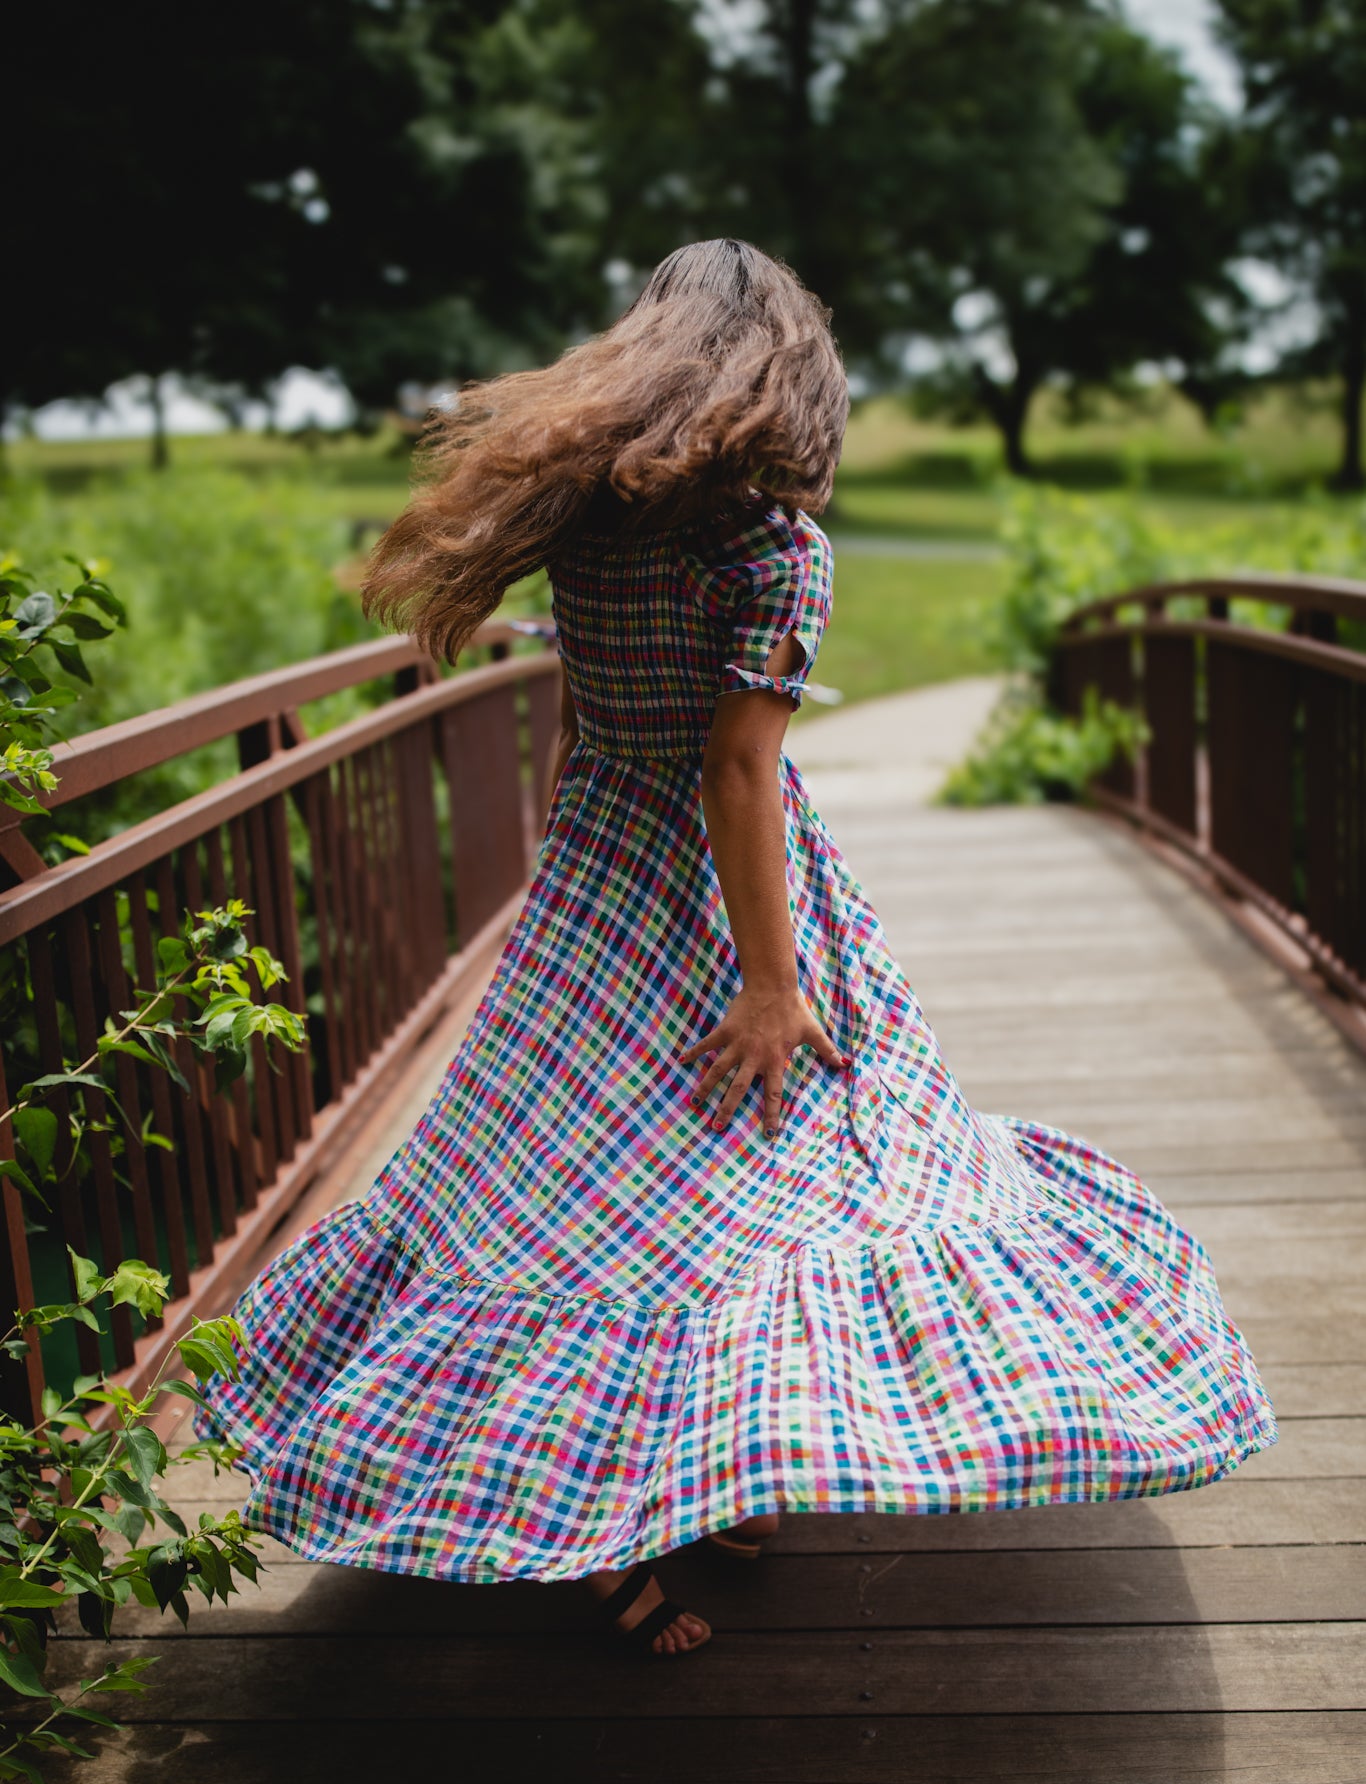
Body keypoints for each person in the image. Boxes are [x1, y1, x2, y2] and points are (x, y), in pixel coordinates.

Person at [195, 239, 1276, 1658]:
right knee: (766, 1180)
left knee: (574, 1194)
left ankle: (671, 1483)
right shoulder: (771, 550)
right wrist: (772, 984)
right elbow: (737, 773)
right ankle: (597, 1526)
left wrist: (582, 880)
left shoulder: (587, 525)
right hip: (730, 887)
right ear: (790, 376)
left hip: (598, 870)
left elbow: (592, 727)